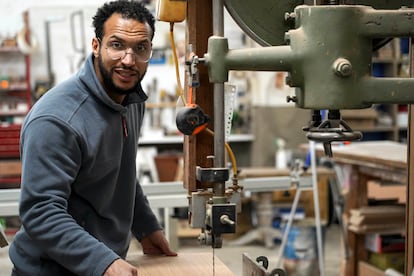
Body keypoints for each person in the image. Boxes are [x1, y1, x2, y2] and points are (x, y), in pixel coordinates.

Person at [9, 1, 177, 275]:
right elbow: (40, 212)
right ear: (96, 46)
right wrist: (104, 262)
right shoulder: (57, 120)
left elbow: (121, 172)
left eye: (140, 48)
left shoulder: (132, 101)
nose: (128, 59)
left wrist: (146, 227)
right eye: (117, 45)